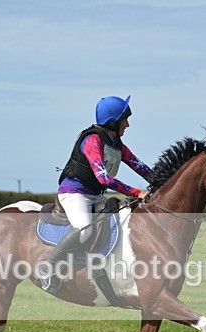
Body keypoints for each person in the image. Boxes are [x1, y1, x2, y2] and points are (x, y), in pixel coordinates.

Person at [39, 95, 154, 293]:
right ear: (114, 121)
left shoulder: (117, 143)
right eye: (124, 120)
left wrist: (163, 182)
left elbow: (140, 166)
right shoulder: (92, 140)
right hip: (74, 193)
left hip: (95, 195)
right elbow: (104, 179)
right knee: (85, 229)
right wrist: (137, 192)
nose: (127, 124)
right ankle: (48, 268)